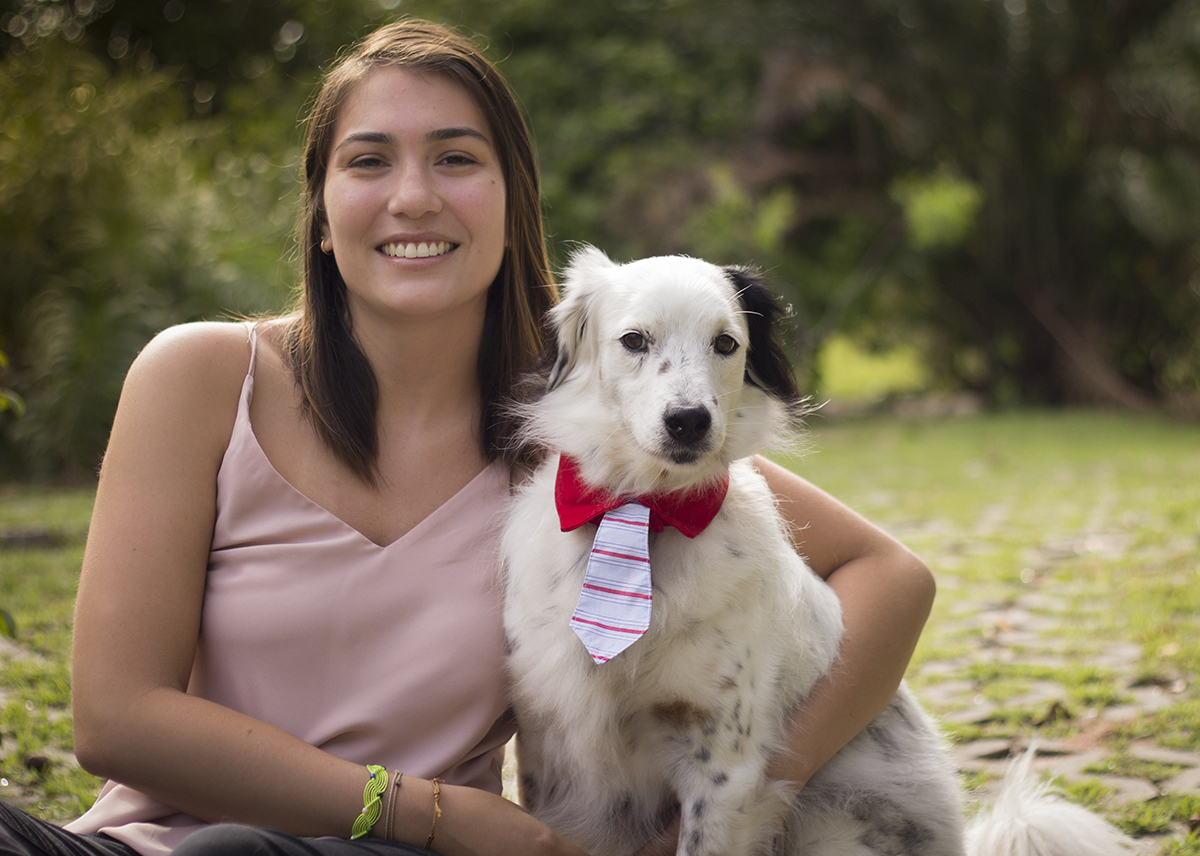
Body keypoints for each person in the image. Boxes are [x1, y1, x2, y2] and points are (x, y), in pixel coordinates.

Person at [0, 17, 934, 856]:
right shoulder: (200, 378)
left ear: (511, 200)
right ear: (321, 214)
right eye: (368, 162)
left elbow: (892, 577)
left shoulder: (580, 434)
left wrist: (747, 797)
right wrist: (427, 810)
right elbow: (113, 719)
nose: (412, 196)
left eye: (454, 159)